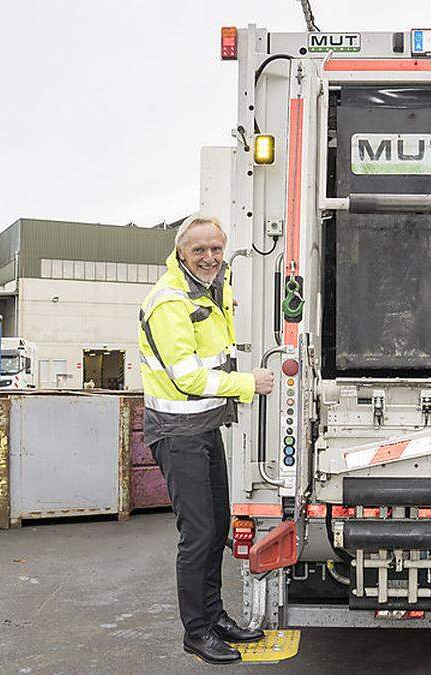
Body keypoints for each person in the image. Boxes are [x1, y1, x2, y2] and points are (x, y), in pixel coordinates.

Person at [138, 214, 275, 664]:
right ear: (181, 253)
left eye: (216, 249)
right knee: (197, 534)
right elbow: (186, 376)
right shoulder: (169, 302)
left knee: (217, 526)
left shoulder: (213, 286)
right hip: (178, 433)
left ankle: (214, 618)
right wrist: (248, 384)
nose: (210, 257)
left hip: (203, 428)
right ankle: (196, 631)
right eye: (200, 250)